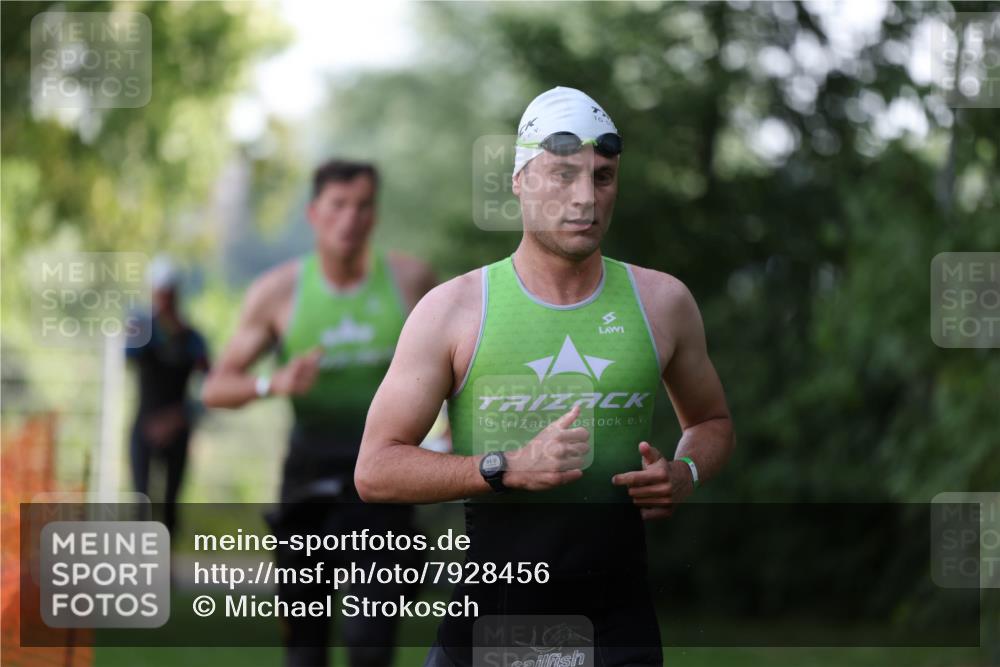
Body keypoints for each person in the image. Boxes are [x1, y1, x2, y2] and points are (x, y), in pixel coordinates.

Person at [355, 87, 735, 667]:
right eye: (563, 174)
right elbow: (375, 469)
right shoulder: (454, 310)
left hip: (618, 628)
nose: (586, 198)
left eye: (603, 177)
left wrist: (686, 472)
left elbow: (712, 421)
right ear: (520, 180)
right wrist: (503, 468)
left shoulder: (662, 302)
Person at [201, 159, 437, 667]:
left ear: (375, 214)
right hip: (308, 476)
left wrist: (450, 441)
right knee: (305, 648)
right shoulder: (278, 292)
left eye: (363, 206)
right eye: (338, 205)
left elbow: (458, 368)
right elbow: (215, 388)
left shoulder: (411, 280)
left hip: (384, 472)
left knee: (369, 640)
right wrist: (273, 382)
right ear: (313, 213)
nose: (350, 218)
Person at [127, 256, 210, 536]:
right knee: (142, 501)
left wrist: (178, 418)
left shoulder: (193, 340)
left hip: (178, 428)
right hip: (144, 427)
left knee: (171, 505)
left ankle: (166, 555)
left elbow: (212, 386)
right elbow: (129, 355)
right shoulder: (143, 333)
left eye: (168, 293)